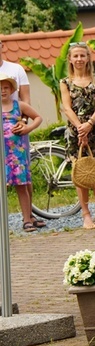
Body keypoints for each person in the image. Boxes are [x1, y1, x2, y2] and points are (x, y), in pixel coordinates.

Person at [60, 43, 95, 229]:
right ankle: (86, 214)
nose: (79, 59)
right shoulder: (65, 82)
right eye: (76, 56)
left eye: (83, 55)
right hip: (75, 130)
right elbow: (66, 107)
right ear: (70, 59)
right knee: (80, 173)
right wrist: (80, 127)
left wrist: (89, 124)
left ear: (88, 58)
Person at [0, 40, 44, 229]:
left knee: (23, 181)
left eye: (6, 88)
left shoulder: (16, 69)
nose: (3, 90)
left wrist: (24, 124)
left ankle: (28, 217)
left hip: (17, 141)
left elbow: (27, 100)